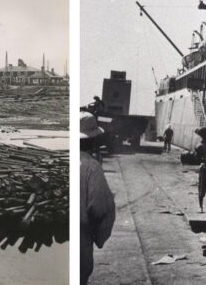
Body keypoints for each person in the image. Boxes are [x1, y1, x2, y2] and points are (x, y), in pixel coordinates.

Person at [80, 112, 116, 284]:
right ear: (92, 140)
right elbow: (100, 209)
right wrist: (99, 238)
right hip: (80, 240)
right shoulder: (92, 167)